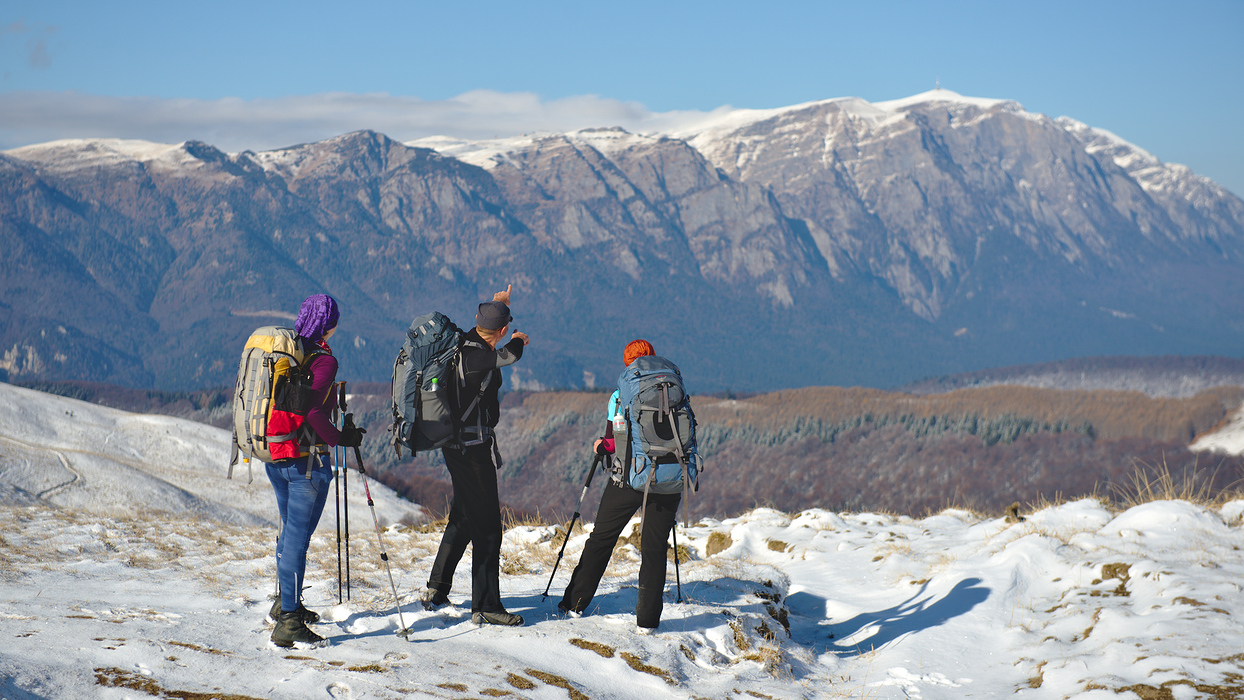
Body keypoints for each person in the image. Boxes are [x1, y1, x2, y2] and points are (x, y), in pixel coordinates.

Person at [422, 285, 530, 626]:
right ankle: (485, 605)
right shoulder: (480, 357)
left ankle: (438, 587)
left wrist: (499, 305)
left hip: (455, 447)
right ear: (499, 331)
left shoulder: (464, 341)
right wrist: (519, 338)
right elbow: (510, 354)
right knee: (487, 529)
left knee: (465, 517)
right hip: (472, 451)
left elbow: (488, 329)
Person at [559, 339, 683, 632]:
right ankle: (648, 622)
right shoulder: (673, 386)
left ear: (628, 364)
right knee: (654, 548)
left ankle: (574, 603)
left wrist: (602, 446)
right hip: (668, 477)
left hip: (630, 479)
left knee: (602, 539)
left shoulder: (620, 394)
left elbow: (614, 441)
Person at [265, 294, 366, 648]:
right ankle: (289, 621)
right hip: (306, 459)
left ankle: (285, 603)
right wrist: (342, 438)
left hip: (275, 453)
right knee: (297, 537)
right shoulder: (323, 361)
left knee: (288, 531)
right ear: (330, 324)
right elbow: (311, 412)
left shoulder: (284, 352)